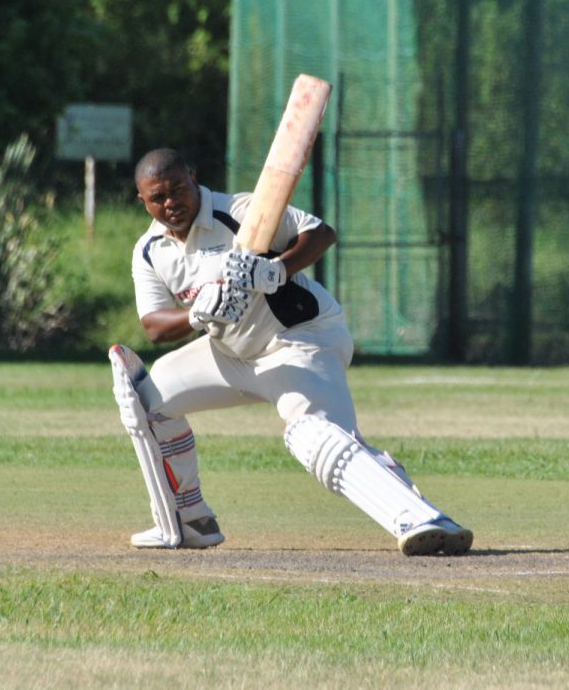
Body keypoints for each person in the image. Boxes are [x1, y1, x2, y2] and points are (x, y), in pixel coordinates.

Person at [107, 147, 473, 556]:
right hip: (231, 353)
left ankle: (422, 517)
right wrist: (196, 314)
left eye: (177, 189)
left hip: (300, 341)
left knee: (313, 436)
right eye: (158, 197)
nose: (171, 202)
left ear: (193, 177)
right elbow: (155, 325)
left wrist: (277, 269)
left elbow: (321, 233)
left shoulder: (242, 210)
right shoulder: (149, 250)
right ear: (143, 201)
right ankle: (189, 521)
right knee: (144, 399)